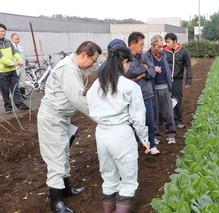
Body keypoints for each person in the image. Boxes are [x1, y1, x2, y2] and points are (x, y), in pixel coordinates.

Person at [37, 41, 102, 213]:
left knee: (63, 153)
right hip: (52, 118)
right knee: (56, 157)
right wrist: (101, 117)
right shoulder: (68, 69)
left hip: (62, 118)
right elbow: (78, 99)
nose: (93, 64)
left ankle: (65, 189)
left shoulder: (73, 66)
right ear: (83, 55)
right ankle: (56, 202)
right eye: (93, 60)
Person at [86, 46, 150, 213]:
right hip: (121, 134)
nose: (129, 67)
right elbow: (138, 118)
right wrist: (145, 140)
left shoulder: (97, 84)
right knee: (128, 181)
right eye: (129, 63)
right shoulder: (129, 86)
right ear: (124, 62)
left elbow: (90, 108)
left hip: (101, 133)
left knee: (109, 178)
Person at [127, 32, 161, 155]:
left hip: (146, 93)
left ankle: (152, 145)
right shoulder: (127, 58)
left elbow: (153, 70)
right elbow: (131, 72)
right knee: (134, 122)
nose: (143, 47)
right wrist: (145, 70)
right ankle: (135, 147)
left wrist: (142, 73)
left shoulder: (144, 56)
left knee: (150, 121)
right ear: (132, 44)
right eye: (141, 44)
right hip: (133, 97)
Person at [145, 35, 176, 145]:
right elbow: (145, 72)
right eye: (159, 46)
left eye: (162, 46)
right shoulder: (146, 57)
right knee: (155, 114)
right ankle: (156, 136)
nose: (162, 48)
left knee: (169, 113)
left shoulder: (163, 55)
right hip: (153, 89)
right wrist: (153, 70)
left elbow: (168, 69)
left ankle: (171, 134)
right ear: (152, 46)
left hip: (165, 88)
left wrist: (170, 85)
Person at [163, 33, 192, 129]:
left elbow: (188, 66)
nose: (167, 44)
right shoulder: (164, 51)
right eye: (166, 42)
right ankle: (166, 121)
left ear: (175, 41)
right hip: (165, 80)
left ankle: (177, 121)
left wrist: (188, 81)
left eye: (168, 42)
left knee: (177, 100)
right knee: (165, 100)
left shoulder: (183, 51)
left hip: (177, 80)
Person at [0, 23, 29, 113]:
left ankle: (20, 105)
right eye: (1, 31)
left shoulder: (8, 42)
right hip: (2, 71)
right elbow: (1, 58)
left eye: (4, 31)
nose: (3, 33)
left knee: (15, 89)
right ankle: (8, 108)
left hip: (12, 70)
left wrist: (20, 59)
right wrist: (13, 63)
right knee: (5, 90)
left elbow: (15, 52)